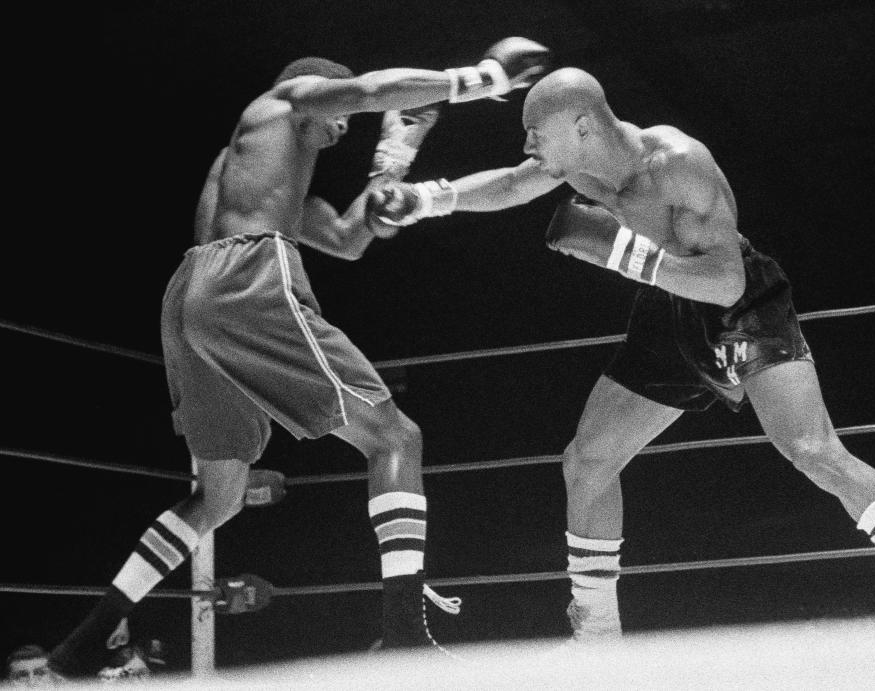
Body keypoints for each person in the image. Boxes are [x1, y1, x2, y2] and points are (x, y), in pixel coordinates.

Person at [368, 67, 875, 642]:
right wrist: (425, 198)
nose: (526, 144)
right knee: (587, 461)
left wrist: (621, 255)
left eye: (535, 132)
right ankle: (599, 636)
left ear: (581, 127)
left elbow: (725, 283)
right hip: (667, 308)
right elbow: (514, 183)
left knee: (812, 450)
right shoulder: (580, 168)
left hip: (740, 306)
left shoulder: (678, 163)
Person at [47, 38, 552, 677]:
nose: (343, 128)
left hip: (190, 305)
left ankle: (86, 642)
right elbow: (370, 91)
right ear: (313, 93)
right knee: (394, 435)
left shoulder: (266, 179)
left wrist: (392, 162)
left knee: (219, 497)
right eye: (336, 115)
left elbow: (346, 241)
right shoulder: (285, 99)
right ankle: (403, 633)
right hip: (247, 278)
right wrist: (481, 80)